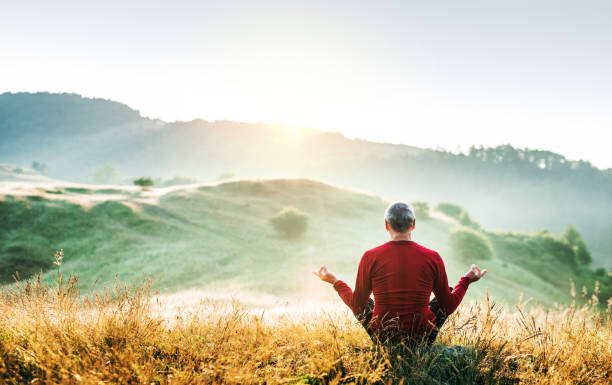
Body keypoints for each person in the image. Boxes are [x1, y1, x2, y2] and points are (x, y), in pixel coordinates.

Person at [313, 201, 487, 345]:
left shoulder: (370, 257)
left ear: (386, 225)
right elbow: (447, 306)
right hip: (421, 337)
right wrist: (466, 280)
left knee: (363, 302)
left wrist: (335, 281)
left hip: (383, 337)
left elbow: (358, 307)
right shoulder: (432, 257)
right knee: (448, 291)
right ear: (413, 224)